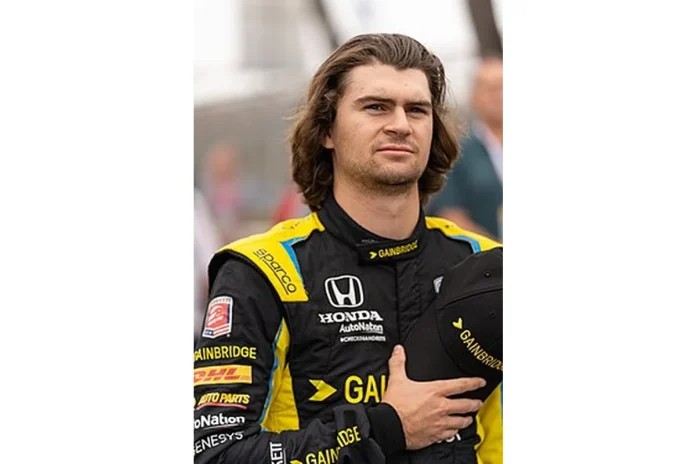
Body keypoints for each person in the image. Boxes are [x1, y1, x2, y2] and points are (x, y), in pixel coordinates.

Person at [194, 33, 502, 464]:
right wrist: (386, 429)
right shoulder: (263, 270)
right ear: (327, 131)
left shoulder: (486, 267)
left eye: (417, 110)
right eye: (376, 107)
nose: (400, 124)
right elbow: (216, 454)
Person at [427, 56, 503, 241]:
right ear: (474, 97)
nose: (499, 96)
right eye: (491, 89)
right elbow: (450, 214)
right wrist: (497, 249)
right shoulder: (458, 153)